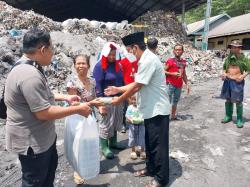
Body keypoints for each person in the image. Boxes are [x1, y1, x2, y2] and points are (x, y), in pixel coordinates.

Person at [4, 29, 103, 187]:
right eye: (51, 49)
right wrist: (78, 109)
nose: (52, 53)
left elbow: (45, 94)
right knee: (36, 182)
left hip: (42, 139)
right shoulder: (29, 75)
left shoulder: (29, 66)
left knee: (46, 179)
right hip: (33, 144)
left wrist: (66, 97)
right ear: (43, 50)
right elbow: (43, 113)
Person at [105, 32, 171, 187]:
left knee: (158, 147)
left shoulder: (148, 60)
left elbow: (137, 86)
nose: (129, 54)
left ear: (135, 47)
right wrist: (118, 89)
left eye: (129, 51)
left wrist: (119, 99)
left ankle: (161, 179)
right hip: (149, 110)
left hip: (158, 111)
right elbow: (137, 82)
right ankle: (150, 169)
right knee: (150, 143)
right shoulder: (144, 59)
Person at [66, 54, 98, 185]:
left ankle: (87, 167)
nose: (80, 66)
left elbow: (94, 98)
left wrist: (100, 106)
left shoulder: (92, 81)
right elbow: (73, 104)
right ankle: (78, 171)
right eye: (78, 63)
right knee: (78, 144)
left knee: (89, 142)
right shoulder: (71, 83)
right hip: (76, 118)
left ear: (88, 65)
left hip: (90, 117)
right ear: (74, 66)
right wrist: (88, 105)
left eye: (83, 63)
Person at [93, 42, 125, 159]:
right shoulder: (100, 66)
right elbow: (97, 85)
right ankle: (104, 147)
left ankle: (113, 143)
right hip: (106, 100)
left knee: (116, 121)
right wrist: (101, 103)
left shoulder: (118, 65)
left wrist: (123, 96)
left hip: (118, 98)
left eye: (114, 54)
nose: (111, 57)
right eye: (109, 54)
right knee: (105, 123)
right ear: (105, 53)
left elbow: (122, 81)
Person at [221, 40, 250, 128]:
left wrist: (243, 76)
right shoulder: (228, 58)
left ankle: (239, 119)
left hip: (237, 82)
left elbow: (248, 70)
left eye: (235, 47)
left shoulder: (243, 58)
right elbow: (224, 68)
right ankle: (228, 116)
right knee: (228, 99)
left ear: (239, 48)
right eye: (232, 47)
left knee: (238, 101)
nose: (233, 48)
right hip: (228, 81)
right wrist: (223, 74)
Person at [165, 44, 190, 120]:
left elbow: (184, 74)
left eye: (179, 49)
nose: (178, 51)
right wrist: (172, 73)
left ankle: (173, 115)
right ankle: (165, 117)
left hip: (179, 85)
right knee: (167, 101)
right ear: (173, 51)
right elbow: (163, 71)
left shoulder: (183, 62)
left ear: (182, 51)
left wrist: (187, 84)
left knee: (175, 100)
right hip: (170, 84)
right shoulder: (170, 61)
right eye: (176, 49)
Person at [119, 47, 139, 133]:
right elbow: (120, 75)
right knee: (125, 107)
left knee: (137, 106)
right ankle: (123, 124)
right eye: (129, 50)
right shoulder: (123, 62)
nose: (131, 51)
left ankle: (137, 123)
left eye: (133, 49)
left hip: (138, 87)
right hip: (126, 87)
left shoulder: (139, 61)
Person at [126, 95, 145, 160]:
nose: (134, 101)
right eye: (133, 99)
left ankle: (142, 151)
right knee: (132, 137)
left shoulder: (142, 107)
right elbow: (127, 116)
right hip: (132, 125)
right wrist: (130, 120)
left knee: (142, 137)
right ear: (130, 100)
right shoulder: (130, 107)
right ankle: (133, 151)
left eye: (136, 99)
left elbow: (145, 115)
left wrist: (144, 119)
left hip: (141, 124)